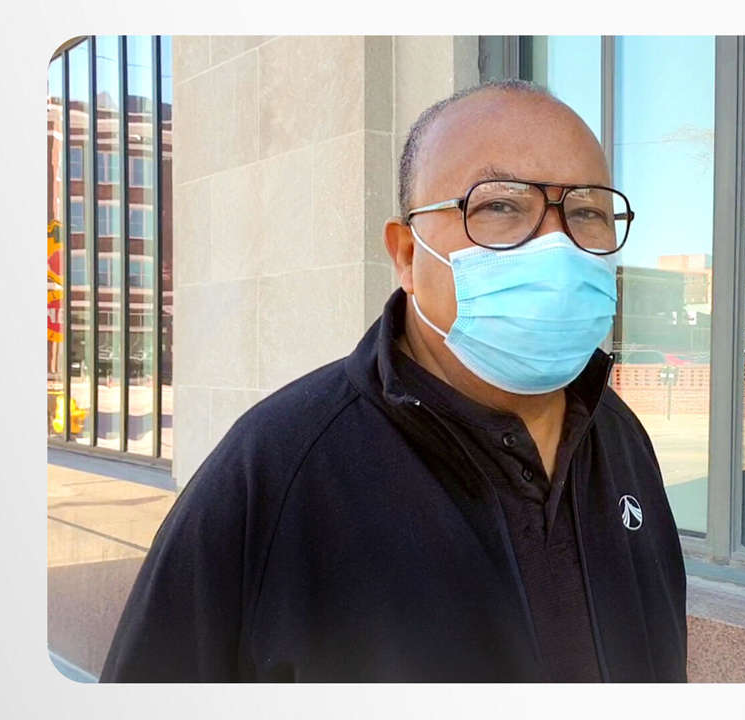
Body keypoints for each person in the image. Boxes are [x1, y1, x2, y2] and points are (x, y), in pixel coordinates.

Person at [100, 79, 688, 682]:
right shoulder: (274, 474)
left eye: (587, 211)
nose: (557, 244)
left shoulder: (619, 437)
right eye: (500, 206)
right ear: (407, 254)